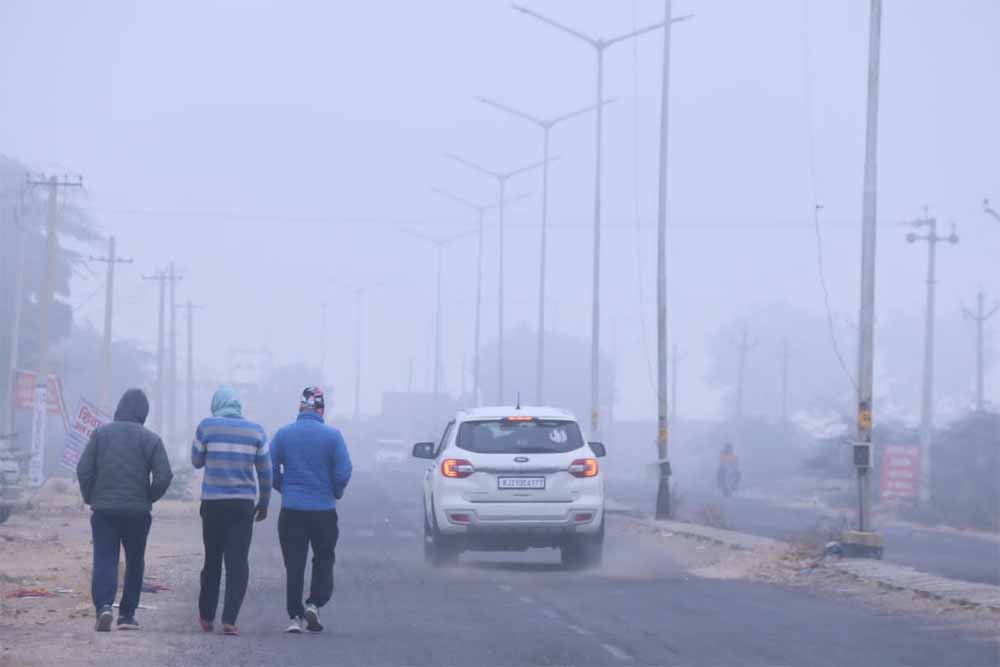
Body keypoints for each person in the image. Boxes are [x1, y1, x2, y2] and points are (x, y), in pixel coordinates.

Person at [76, 388, 173, 632]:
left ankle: (104, 607)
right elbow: (164, 476)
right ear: (143, 413)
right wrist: (147, 497)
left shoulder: (100, 435)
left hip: (104, 511)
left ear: (119, 408)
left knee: (105, 559)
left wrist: (91, 496)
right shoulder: (151, 439)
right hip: (137, 514)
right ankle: (127, 616)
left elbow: (83, 470)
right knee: (135, 561)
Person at [191, 385, 271, 636]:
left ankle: (206, 616)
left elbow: (196, 461)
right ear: (238, 405)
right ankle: (230, 620)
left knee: (212, 560)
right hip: (242, 506)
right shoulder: (256, 431)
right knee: (237, 562)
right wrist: (264, 502)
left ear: (217, 404)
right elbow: (265, 473)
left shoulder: (207, 426)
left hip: (213, 504)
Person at [270, 387, 352, 634]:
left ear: (300, 408)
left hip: (292, 510)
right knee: (324, 558)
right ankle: (314, 603)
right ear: (321, 409)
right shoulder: (333, 436)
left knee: (294, 564)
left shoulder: (283, 435)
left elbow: (269, 467)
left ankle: (294, 616)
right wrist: (335, 492)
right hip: (323, 511)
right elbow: (343, 470)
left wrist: (284, 488)